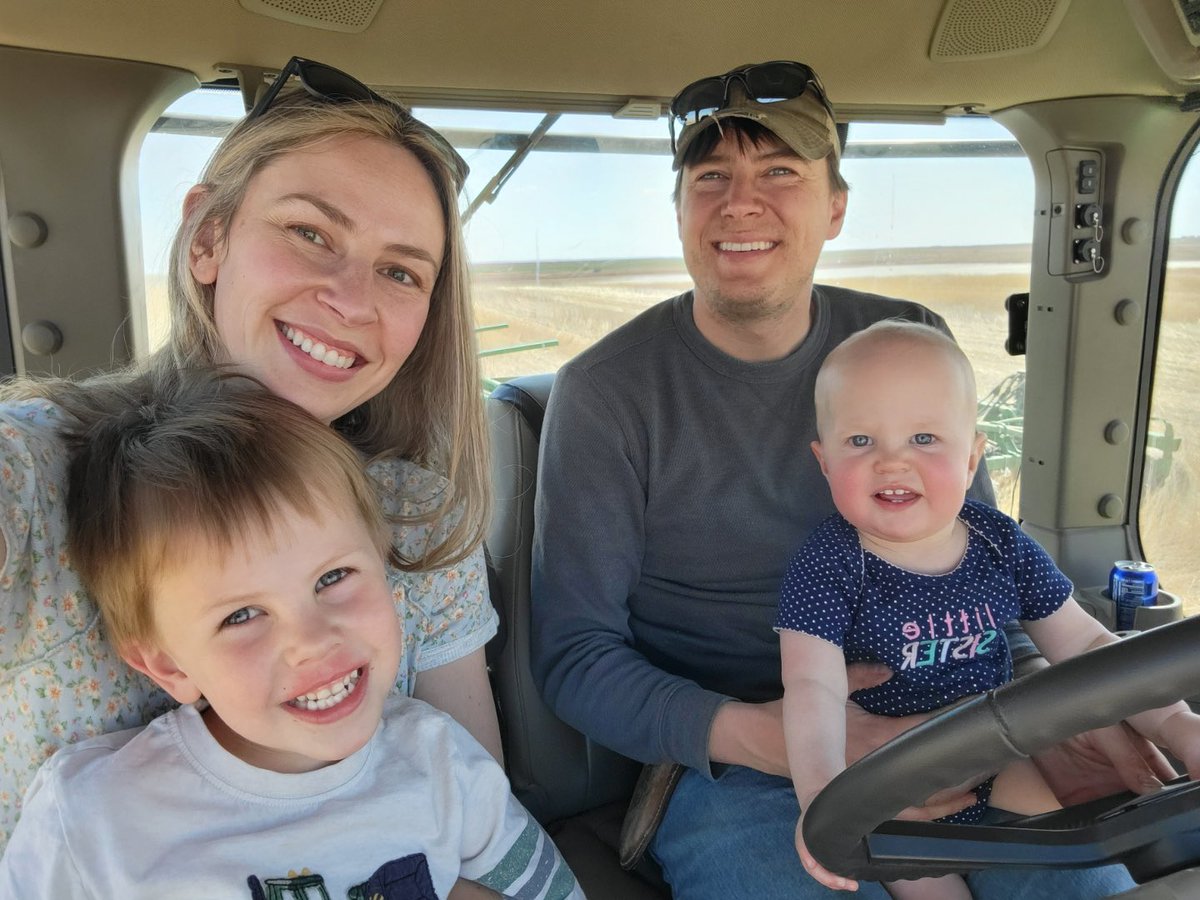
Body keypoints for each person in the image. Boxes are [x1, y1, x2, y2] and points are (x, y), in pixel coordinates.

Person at [531, 59, 1172, 898]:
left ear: (836, 206)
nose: (740, 202)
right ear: (681, 209)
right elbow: (577, 658)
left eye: (780, 172)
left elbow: (985, 569)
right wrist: (783, 740)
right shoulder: (609, 393)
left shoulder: (907, 340)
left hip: (956, 725)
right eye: (710, 176)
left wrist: (1049, 714)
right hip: (738, 763)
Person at [0, 57, 500, 890]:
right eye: (311, 233)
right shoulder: (34, 474)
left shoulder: (415, 513)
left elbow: (476, 812)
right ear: (207, 240)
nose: (352, 298)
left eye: (401, 270)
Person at [0, 368, 582, 900]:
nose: (313, 639)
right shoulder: (90, 819)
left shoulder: (443, 763)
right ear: (169, 666)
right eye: (241, 616)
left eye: (333, 577)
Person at [778, 320, 1200, 897]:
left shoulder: (998, 541)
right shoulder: (828, 565)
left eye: (924, 439)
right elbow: (812, 689)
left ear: (973, 455)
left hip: (1002, 758)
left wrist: (1177, 724)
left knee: (1092, 869)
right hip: (889, 786)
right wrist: (821, 797)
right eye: (860, 441)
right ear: (825, 462)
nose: (892, 462)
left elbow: (1084, 645)